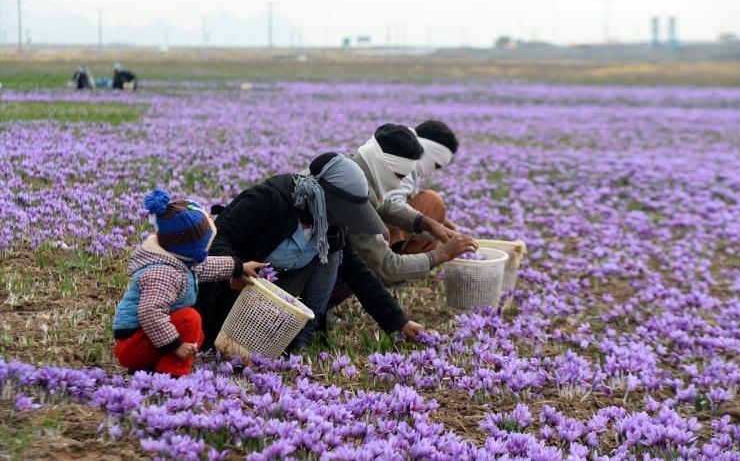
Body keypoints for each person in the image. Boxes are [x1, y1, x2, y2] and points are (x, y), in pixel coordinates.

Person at [196, 153, 427, 354]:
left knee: (334, 256)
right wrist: (235, 269)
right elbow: (221, 236)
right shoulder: (269, 199)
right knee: (218, 343)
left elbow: (359, 274)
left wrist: (399, 321)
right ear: (323, 197)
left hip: (274, 305)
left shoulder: (330, 224)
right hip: (230, 292)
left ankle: (303, 338)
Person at [112, 188, 265, 377]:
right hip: (133, 346)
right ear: (193, 249)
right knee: (189, 319)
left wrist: (239, 267)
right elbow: (150, 312)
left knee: (196, 334)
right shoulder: (163, 273)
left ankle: (151, 369)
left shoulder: (176, 259)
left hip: (144, 339)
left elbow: (205, 268)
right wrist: (175, 345)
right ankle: (170, 376)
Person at [344, 124, 477, 287]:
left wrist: (427, 222)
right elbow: (387, 266)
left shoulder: (352, 166)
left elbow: (381, 204)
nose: (398, 184)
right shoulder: (355, 194)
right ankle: (396, 270)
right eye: (436, 165)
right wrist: (442, 253)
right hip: (322, 269)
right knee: (432, 201)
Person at [386, 120, 460, 254]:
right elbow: (391, 204)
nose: (432, 172)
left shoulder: (402, 152)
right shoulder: (403, 160)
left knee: (432, 211)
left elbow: (406, 198)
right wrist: (431, 224)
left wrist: (441, 221)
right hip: (371, 231)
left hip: (370, 223)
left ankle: (399, 259)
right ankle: (399, 261)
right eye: (436, 165)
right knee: (432, 201)